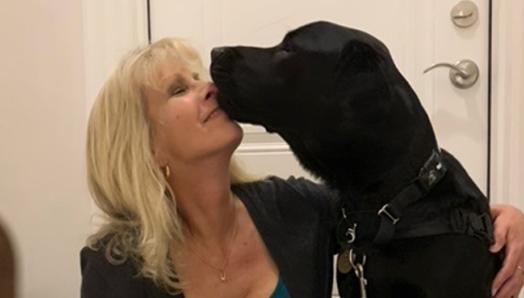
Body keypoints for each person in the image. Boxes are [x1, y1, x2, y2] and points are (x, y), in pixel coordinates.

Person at [80, 37, 524, 298]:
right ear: (146, 146)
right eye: (180, 89)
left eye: (199, 77)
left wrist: (498, 216)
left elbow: (401, 204)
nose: (209, 88)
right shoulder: (117, 264)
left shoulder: (292, 207)